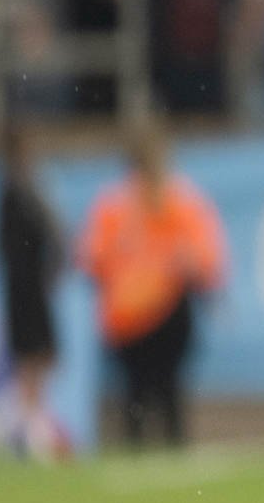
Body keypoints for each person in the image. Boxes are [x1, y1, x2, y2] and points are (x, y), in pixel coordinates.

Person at [77, 124, 228, 447]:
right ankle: (171, 448)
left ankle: (143, 450)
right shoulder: (178, 200)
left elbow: (92, 260)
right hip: (161, 312)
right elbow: (207, 261)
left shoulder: (117, 204)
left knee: (139, 393)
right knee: (166, 392)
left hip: (131, 314)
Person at [0, 124, 70, 459]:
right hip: (27, 292)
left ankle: (25, 428)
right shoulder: (18, 194)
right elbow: (46, 237)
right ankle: (16, 428)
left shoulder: (19, 192)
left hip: (27, 289)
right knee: (32, 360)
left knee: (35, 361)